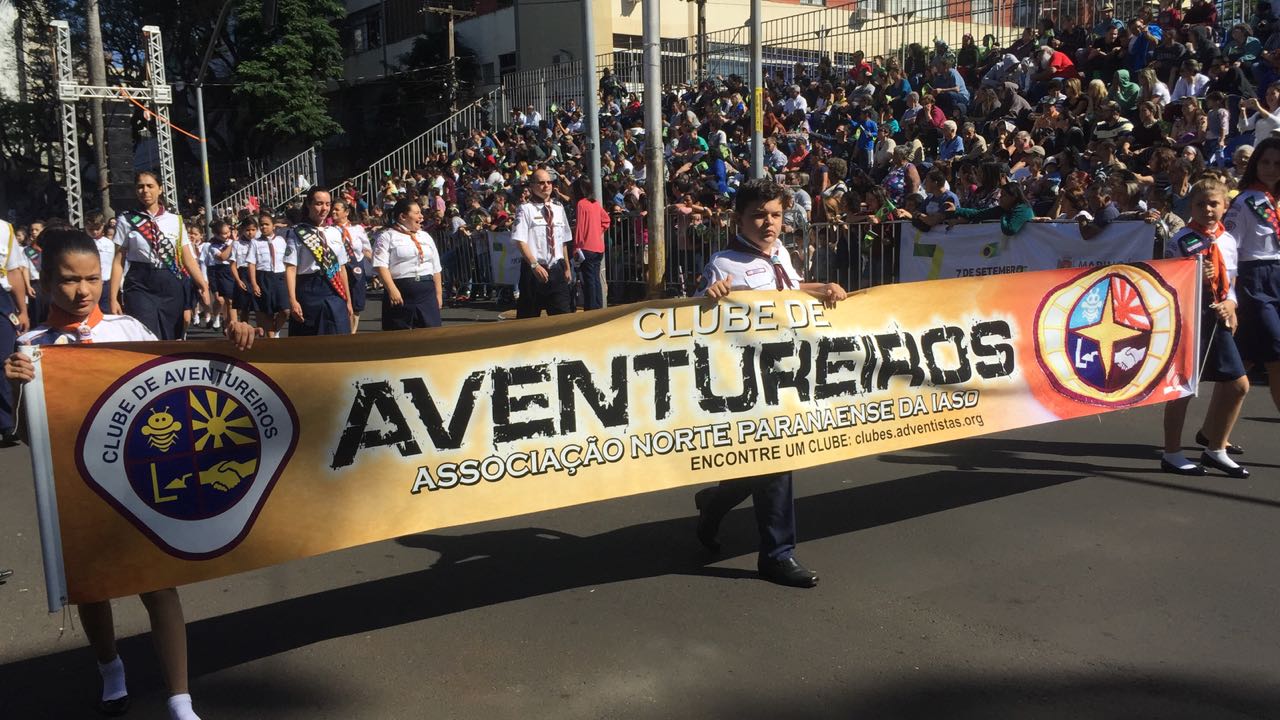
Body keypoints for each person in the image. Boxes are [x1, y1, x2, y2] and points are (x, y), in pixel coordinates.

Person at [3, 228, 259, 720]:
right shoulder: (30, 347)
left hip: (142, 481)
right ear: (45, 281)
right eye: (69, 280)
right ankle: (109, 667)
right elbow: (33, 440)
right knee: (93, 588)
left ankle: (180, 698)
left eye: (92, 278)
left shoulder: (129, 330)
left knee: (158, 582)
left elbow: (184, 377)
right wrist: (17, 388)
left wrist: (233, 343)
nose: (82, 291)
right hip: (77, 488)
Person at [693, 178, 848, 588]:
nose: (769, 223)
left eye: (776, 215)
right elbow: (696, 317)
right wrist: (710, 296)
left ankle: (715, 503)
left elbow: (789, 291)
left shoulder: (780, 252)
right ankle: (777, 555)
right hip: (747, 380)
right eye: (759, 215)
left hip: (787, 372)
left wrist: (821, 289)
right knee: (776, 462)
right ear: (739, 219)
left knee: (760, 463)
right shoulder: (724, 263)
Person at [1161, 178, 1251, 477]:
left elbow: (1232, 282)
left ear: (1225, 206)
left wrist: (1232, 304)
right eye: (1201, 204)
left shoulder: (1227, 241)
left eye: (1214, 204)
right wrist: (1195, 275)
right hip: (1190, 317)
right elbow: (1168, 283)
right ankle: (1172, 453)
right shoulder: (1181, 240)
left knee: (1238, 385)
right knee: (1183, 388)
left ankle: (1216, 449)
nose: (1208, 209)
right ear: (1191, 207)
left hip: (1218, 318)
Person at [109, 171, 210, 340]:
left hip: (170, 281)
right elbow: (118, 261)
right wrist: (113, 298)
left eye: (150, 186)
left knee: (171, 336)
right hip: (140, 283)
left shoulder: (175, 220)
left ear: (160, 189)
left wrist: (203, 285)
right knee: (146, 334)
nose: (145, 191)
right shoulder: (126, 220)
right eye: (140, 187)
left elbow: (187, 258)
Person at [1223, 136, 1280, 415]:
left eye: (1277, 164)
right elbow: (1228, 249)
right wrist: (1229, 293)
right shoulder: (1245, 202)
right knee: (1277, 351)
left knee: (1245, 359)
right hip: (1255, 279)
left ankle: (1212, 431)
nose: (1271, 168)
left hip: (1277, 278)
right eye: (1265, 162)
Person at [284, 187, 354, 336]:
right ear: (308, 204)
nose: (324, 209)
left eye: (328, 204)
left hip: (334, 290)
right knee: (310, 339)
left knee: (338, 336)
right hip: (308, 290)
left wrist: (348, 300)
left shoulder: (335, 232)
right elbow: (291, 268)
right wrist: (293, 300)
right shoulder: (296, 232)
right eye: (319, 203)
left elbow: (341, 268)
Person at [373, 198, 443, 330]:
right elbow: (380, 266)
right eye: (417, 213)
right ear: (403, 216)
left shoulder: (425, 236)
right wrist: (392, 290)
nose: (421, 216)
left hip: (427, 292)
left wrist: (438, 294)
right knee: (399, 335)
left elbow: (436, 268)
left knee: (431, 333)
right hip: (401, 292)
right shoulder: (386, 236)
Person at [511, 170, 573, 318]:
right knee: (528, 319)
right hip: (533, 271)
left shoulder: (558, 208)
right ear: (532, 186)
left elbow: (563, 240)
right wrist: (534, 265)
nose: (546, 186)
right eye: (541, 183)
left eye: (549, 182)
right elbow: (520, 240)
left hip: (556, 270)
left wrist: (567, 267)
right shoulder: (525, 209)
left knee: (562, 318)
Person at [0, 214, 28, 444]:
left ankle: (7, 423)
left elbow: (13, 271)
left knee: (4, 360)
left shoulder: (4, 229)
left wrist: (22, 310)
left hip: (1, 299)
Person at [332, 199, 372, 333]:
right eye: (333, 209)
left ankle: (352, 333)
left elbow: (366, 249)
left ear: (347, 212)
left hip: (356, 268)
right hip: (338, 269)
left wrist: (378, 267)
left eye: (337, 209)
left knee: (356, 303)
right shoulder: (329, 230)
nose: (333, 212)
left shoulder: (357, 229)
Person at [247, 211, 289, 338]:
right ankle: (272, 339)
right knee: (267, 311)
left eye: (267, 224)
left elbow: (287, 261)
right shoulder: (255, 242)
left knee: (286, 310)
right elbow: (251, 263)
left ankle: (276, 329)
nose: (264, 227)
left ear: (273, 226)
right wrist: (254, 283)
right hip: (263, 277)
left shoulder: (281, 241)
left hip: (280, 277)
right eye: (261, 225)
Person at [572, 177, 610, 311]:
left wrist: (576, 246)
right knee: (595, 279)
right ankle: (598, 306)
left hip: (586, 247)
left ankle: (591, 309)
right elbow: (606, 220)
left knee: (589, 281)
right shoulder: (595, 204)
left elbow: (580, 227)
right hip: (598, 247)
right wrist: (597, 231)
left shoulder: (581, 204)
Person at [200, 220, 234, 330]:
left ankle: (227, 321)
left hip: (229, 270)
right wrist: (204, 278)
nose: (228, 235)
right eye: (224, 233)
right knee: (220, 300)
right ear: (216, 234)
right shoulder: (210, 245)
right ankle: (216, 317)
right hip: (215, 272)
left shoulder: (232, 241)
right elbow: (220, 257)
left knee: (229, 300)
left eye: (228, 232)